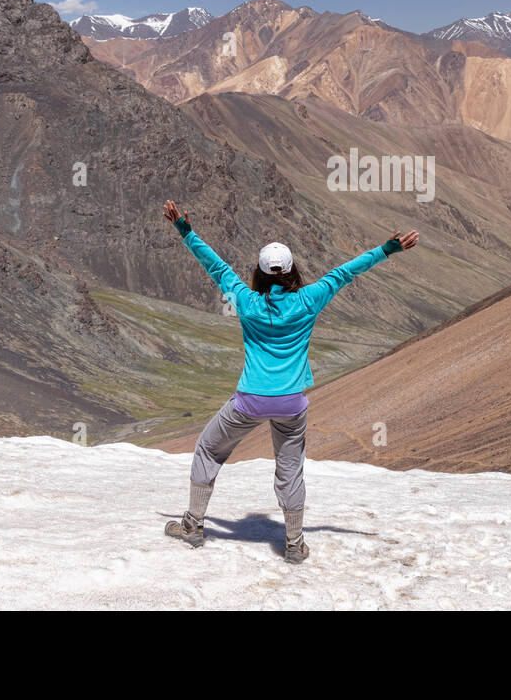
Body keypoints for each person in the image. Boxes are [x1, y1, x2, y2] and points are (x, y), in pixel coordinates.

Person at [161, 199, 418, 563]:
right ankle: (295, 542)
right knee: (290, 470)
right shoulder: (309, 300)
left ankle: (193, 524)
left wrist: (184, 229)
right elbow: (346, 272)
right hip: (291, 403)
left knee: (208, 448)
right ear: (292, 270)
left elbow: (215, 267)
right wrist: (388, 249)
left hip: (250, 400)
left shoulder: (247, 302)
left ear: (260, 273)